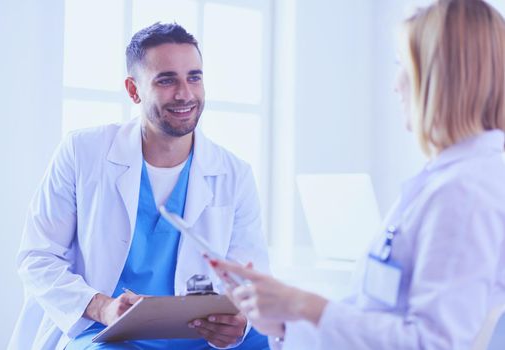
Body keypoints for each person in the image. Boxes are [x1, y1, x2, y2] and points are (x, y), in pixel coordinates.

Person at [210, 0, 505, 349]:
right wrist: (287, 323)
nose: (396, 84)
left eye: (402, 65)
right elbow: (378, 320)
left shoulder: (465, 192)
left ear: (438, 78)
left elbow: (432, 344)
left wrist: (306, 305)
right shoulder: (449, 180)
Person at [9, 22, 270, 350]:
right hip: (106, 330)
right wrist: (102, 306)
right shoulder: (82, 153)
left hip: (200, 336)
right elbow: (37, 257)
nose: (185, 93)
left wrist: (240, 322)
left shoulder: (234, 173)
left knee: (282, 340)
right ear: (134, 90)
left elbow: (252, 275)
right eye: (166, 80)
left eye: (194, 77)